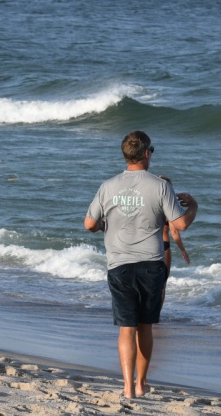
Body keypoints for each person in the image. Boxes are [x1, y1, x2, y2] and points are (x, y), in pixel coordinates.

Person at [84, 131, 198, 399]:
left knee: (126, 328)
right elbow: (180, 224)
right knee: (145, 326)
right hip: (151, 264)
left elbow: (89, 224)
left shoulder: (108, 186)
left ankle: (127, 388)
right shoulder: (160, 186)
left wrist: (103, 226)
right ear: (146, 154)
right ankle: (141, 384)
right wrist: (193, 205)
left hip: (119, 263)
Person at [157, 174, 191, 306]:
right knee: (162, 284)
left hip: (146, 245)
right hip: (163, 246)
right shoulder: (168, 207)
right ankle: (156, 313)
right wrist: (183, 250)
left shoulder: (149, 204)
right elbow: (174, 231)